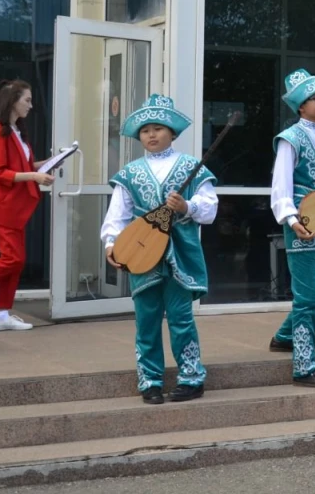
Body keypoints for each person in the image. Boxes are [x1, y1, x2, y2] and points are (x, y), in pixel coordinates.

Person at [101, 95, 217, 404]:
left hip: (180, 251)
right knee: (147, 318)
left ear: (173, 133)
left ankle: (192, 377)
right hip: (141, 253)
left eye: (158, 128)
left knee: (181, 318)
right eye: (145, 130)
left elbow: (209, 209)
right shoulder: (130, 172)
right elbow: (118, 214)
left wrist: (186, 205)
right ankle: (149, 379)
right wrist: (112, 243)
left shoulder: (191, 166)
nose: (151, 135)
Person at [269, 69, 315, 388]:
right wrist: (291, 219)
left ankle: (285, 336)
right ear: (301, 105)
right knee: (309, 296)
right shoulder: (290, 139)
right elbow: (281, 186)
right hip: (303, 221)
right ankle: (304, 364)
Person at [0, 80, 52, 331]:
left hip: (14, 208)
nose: (31, 106)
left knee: (15, 260)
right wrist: (34, 177)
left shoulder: (15, 131)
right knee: (12, 259)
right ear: (13, 101)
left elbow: (21, 168)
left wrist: (47, 164)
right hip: (3, 207)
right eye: (27, 100)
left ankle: (1, 316)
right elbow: (0, 173)